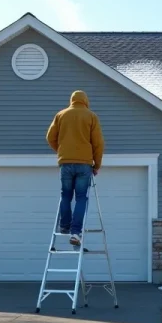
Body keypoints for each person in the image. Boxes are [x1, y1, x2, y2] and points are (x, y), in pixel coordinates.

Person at [46, 90, 104, 246]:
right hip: (84, 165)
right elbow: (98, 143)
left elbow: (50, 137)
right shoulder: (91, 116)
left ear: (72, 100)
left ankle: (64, 226)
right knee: (81, 198)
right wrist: (97, 165)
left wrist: (61, 151)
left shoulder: (61, 115)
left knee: (65, 196)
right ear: (85, 101)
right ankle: (75, 233)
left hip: (65, 163)